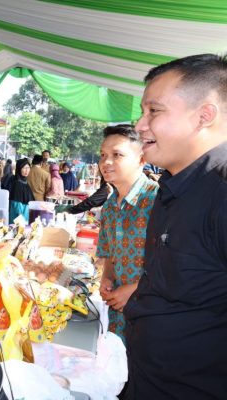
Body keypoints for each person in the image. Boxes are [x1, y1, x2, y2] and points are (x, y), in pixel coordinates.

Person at [123, 53, 227, 399]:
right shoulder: (173, 188)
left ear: (204, 116)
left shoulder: (221, 194)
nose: (140, 125)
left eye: (154, 111)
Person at [94, 125, 158, 344]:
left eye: (117, 155)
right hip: (117, 315)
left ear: (141, 159)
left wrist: (135, 289)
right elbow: (109, 253)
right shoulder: (109, 207)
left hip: (151, 314)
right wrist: (107, 277)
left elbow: (175, 263)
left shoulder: (158, 201)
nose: (106, 162)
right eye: (103, 155)